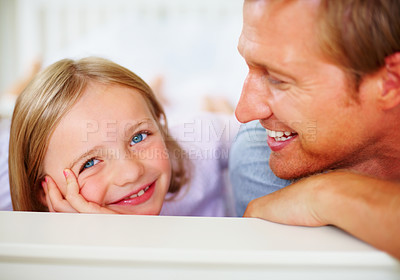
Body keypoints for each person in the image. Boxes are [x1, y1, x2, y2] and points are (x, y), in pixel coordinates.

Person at [230, 0, 400, 259]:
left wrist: (329, 195)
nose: (244, 112)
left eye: (278, 78)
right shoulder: (262, 154)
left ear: (390, 83)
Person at [9, 57, 237, 216]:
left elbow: (253, 134)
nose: (131, 173)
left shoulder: (199, 144)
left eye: (139, 137)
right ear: (44, 192)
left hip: (201, 122)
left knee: (222, 113)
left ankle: (210, 103)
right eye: (89, 163)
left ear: (159, 124)